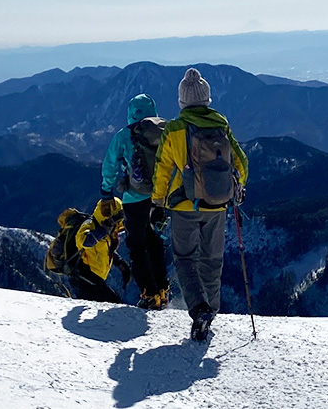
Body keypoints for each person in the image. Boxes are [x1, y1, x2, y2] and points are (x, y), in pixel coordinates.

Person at [152, 67, 248, 341]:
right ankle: (211, 312)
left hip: (184, 206)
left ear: (182, 101)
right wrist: (238, 188)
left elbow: (162, 169)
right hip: (217, 205)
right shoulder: (221, 126)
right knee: (212, 260)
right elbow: (241, 162)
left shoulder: (174, 128)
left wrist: (158, 203)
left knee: (185, 259)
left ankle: (199, 308)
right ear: (207, 99)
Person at [100, 94, 171, 310]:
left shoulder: (124, 136)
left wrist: (106, 191)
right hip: (159, 197)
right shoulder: (164, 133)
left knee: (137, 246)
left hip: (134, 198)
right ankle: (162, 290)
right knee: (155, 242)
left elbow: (111, 164)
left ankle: (149, 294)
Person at [70, 196, 129, 304]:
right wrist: (104, 229)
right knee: (114, 304)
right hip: (84, 278)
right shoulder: (89, 225)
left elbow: (103, 250)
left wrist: (120, 263)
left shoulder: (108, 228)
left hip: (94, 278)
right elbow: (85, 242)